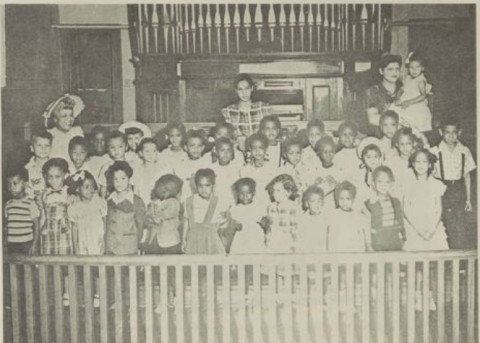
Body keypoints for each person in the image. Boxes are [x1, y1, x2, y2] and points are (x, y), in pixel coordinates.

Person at [430, 119, 476, 249]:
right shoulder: (434, 151)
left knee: (460, 224)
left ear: (459, 132)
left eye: (454, 132)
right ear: (440, 132)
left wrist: (468, 199)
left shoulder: (464, 150)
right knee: (445, 223)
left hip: (459, 189)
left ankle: (459, 260)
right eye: (447, 132)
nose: (451, 136)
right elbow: (431, 176)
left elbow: (467, 175)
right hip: (442, 189)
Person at [403, 149, 448, 251]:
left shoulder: (436, 184)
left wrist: (432, 230)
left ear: (429, 165)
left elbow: (439, 208)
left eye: (424, 162)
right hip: (414, 226)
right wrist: (418, 230)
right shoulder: (408, 184)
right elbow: (406, 209)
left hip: (432, 226)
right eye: (418, 162)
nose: (421, 165)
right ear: (413, 164)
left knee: (436, 256)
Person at [182, 169, 229, 255]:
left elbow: (224, 225)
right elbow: (186, 221)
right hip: (193, 240)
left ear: (213, 186)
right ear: (196, 186)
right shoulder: (189, 201)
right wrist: (183, 240)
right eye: (200, 186)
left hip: (211, 240)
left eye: (207, 185)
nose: (204, 189)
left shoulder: (218, 201)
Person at [105, 161, 146, 255]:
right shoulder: (108, 201)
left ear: (129, 179)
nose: (119, 182)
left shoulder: (137, 201)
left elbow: (141, 226)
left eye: (123, 178)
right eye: (116, 179)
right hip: (110, 248)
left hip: (129, 249)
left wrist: (138, 245)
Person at [221, 73, 271, 145]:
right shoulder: (227, 112)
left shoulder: (264, 108)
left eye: (247, 88)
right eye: (240, 89)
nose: (244, 93)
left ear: (252, 88)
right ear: (236, 91)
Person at [363, 166, 405, 251]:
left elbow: (400, 222)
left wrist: (403, 240)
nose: (383, 185)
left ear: (392, 184)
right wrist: (368, 245)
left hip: (394, 242)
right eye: (380, 182)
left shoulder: (396, 202)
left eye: (387, 182)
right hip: (378, 243)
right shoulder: (369, 204)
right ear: (373, 184)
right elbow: (366, 226)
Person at [390, 52, 433, 132]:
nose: (414, 70)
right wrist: (397, 98)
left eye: (417, 67)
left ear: (422, 68)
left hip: (416, 103)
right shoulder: (408, 79)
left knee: (413, 116)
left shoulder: (420, 81)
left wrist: (409, 102)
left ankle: (411, 129)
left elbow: (423, 96)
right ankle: (403, 127)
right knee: (394, 110)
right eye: (411, 67)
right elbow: (401, 90)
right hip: (405, 101)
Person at [142, 174, 183, 255]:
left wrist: (158, 217)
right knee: (153, 263)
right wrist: (147, 218)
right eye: (161, 187)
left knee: (169, 264)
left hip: (170, 242)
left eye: (168, 189)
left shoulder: (173, 202)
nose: (163, 190)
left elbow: (170, 212)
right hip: (153, 240)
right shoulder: (153, 202)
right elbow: (148, 214)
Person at [68, 170, 107, 255]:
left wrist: (104, 241)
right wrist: (75, 247)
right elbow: (74, 228)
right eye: (86, 187)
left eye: (92, 186)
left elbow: (105, 222)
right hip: (83, 241)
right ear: (78, 189)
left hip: (97, 240)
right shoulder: (74, 207)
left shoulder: (99, 202)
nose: (91, 189)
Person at [260, 174, 300, 253]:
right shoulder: (271, 207)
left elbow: (295, 233)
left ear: (288, 192)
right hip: (272, 246)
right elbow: (269, 231)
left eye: (278, 190)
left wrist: (294, 252)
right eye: (273, 190)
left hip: (286, 247)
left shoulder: (293, 208)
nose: (274, 193)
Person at [4, 168, 40, 254]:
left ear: (25, 184)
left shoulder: (31, 203)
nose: (11, 187)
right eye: (9, 184)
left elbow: (37, 226)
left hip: (26, 243)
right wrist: (4, 243)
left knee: (27, 267)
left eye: (15, 183)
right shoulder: (8, 204)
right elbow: (5, 226)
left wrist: (35, 244)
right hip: (11, 244)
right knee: (13, 267)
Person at [364, 54, 403, 135]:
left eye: (397, 69)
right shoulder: (373, 91)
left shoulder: (404, 88)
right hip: (381, 134)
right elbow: (372, 119)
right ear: (381, 71)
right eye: (390, 69)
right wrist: (399, 122)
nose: (394, 72)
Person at [326, 182, 368, 252]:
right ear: (337, 199)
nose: (344, 202)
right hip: (339, 253)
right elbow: (331, 237)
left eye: (348, 199)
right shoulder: (334, 215)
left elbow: (362, 237)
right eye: (341, 198)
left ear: (353, 200)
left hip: (355, 253)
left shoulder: (358, 216)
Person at [229, 178, 266, 254]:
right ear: (237, 194)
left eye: (248, 193)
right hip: (241, 238)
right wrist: (235, 225)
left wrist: (263, 223)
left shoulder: (258, 208)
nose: (245, 196)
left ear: (254, 193)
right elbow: (232, 224)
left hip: (255, 237)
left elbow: (265, 222)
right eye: (241, 193)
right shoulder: (235, 209)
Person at [43, 94, 85, 161]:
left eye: (71, 115)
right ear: (55, 119)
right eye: (64, 116)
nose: (69, 119)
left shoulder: (77, 131)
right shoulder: (50, 134)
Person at [240, 132, 277, 205]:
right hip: (252, 203)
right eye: (254, 148)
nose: (257, 151)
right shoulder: (245, 169)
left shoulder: (272, 168)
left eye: (261, 148)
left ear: (266, 148)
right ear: (250, 149)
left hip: (268, 202)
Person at [173, 129, 210, 201]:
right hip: (184, 199)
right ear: (186, 147)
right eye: (192, 145)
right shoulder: (179, 165)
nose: (196, 148)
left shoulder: (207, 165)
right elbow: (177, 189)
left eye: (199, 145)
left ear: (203, 147)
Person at [131, 138, 166, 205]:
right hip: (140, 204)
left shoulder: (162, 170)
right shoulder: (136, 170)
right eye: (147, 151)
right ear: (141, 153)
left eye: (154, 151)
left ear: (157, 152)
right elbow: (134, 189)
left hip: (157, 204)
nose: (150, 154)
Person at [98, 131, 130, 198]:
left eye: (120, 146)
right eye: (112, 147)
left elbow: (134, 186)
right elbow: (103, 187)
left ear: (126, 147)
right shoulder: (106, 167)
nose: (116, 150)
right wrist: (103, 202)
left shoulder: (131, 165)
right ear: (108, 149)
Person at [210, 137, 241, 205]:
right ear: (216, 151)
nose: (226, 153)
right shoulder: (212, 169)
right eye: (222, 150)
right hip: (218, 204)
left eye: (229, 150)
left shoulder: (237, 168)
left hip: (233, 203)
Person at [297, 185, 328, 253]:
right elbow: (299, 240)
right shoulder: (302, 219)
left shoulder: (326, 220)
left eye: (319, 201)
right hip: (306, 254)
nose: (316, 204)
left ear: (323, 203)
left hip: (322, 254)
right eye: (313, 201)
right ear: (307, 203)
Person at [25, 131, 52, 199]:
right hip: (33, 203)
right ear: (32, 148)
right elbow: (25, 191)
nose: (43, 148)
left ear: (51, 147)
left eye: (47, 145)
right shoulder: (26, 169)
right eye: (39, 145)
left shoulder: (56, 166)